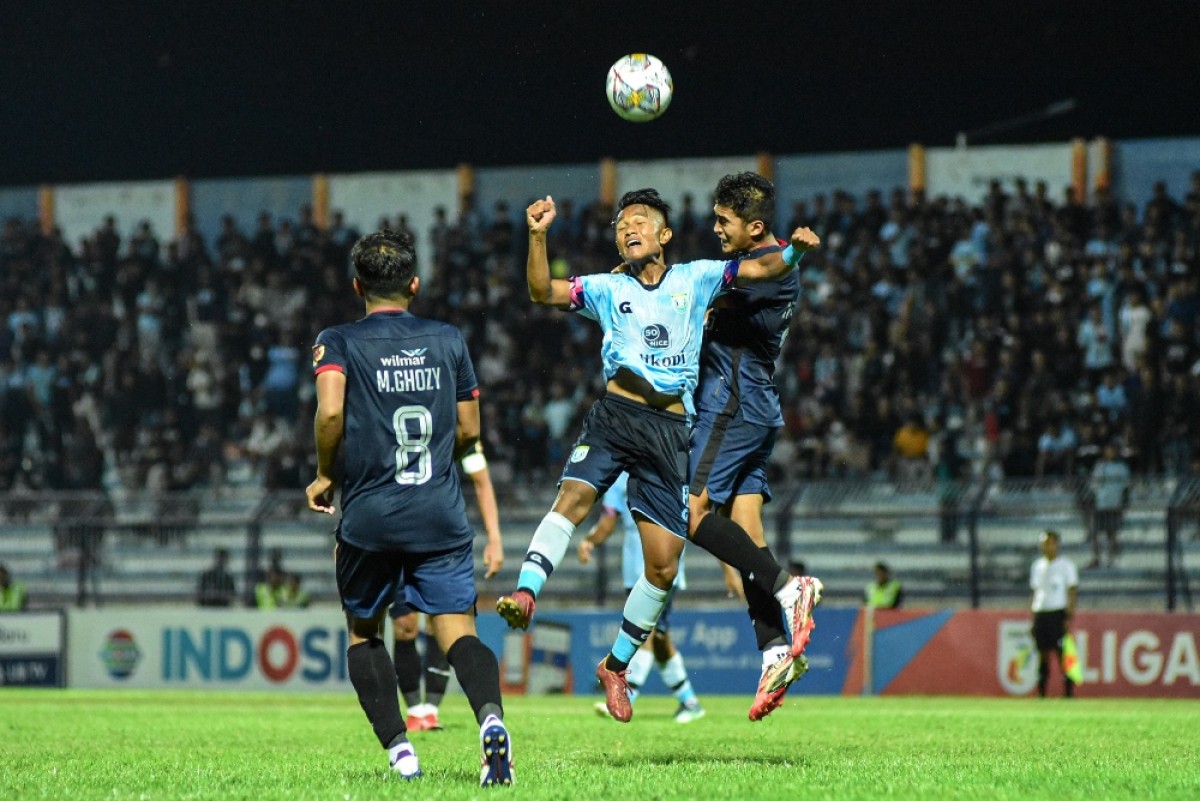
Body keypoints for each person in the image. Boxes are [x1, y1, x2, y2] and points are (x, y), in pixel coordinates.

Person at [497, 189, 823, 724]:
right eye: (620, 225)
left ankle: (617, 666)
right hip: (616, 417)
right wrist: (537, 235)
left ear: (664, 235)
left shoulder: (694, 278)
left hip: (673, 429)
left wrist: (792, 255)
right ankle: (527, 591)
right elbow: (540, 291)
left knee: (665, 565)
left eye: (639, 222)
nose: (627, 229)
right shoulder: (606, 287)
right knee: (575, 496)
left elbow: (759, 269)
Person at [305, 229, 513, 786]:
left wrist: (326, 474)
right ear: (414, 285)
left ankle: (401, 752)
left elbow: (329, 416)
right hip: (439, 513)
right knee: (459, 632)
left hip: (370, 514)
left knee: (364, 633)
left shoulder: (338, 340)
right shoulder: (448, 339)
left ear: (357, 287)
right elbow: (470, 431)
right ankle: (491, 719)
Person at [690, 172, 823, 721]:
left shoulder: (766, 269)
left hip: (732, 402)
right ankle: (773, 651)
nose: (716, 228)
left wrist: (793, 251)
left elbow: (769, 266)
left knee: (690, 514)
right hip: (756, 406)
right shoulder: (761, 267)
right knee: (747, 534)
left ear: (756, 226)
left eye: (724, 221)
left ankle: (790, 588)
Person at [393, 442, 504, 733]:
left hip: (441, 535)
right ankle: (414, 708)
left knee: (440, 626)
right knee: (404, 625)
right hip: (395, 533)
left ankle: (430, 709)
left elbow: (481, 480)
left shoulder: (456, 426)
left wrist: (494, 537)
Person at [577, 472, 704, 723]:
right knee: (658, 639)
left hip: (663, 568)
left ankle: (624, 696)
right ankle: (690, 702)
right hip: (633, 570)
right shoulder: (618, 476)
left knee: (646, 632)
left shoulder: (663, 464)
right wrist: (590, 541)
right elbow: (607, 520)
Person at [1029, 529, 1078, 698]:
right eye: (1044, 543)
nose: (1046, 546)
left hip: (1057, 613)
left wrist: (1068, 616)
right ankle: (1042, 693)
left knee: (1062, 653)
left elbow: (1072, 590)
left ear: (1056, 544)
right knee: (1042, 654)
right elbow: (1036, 592)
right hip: (1041, 612)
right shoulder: (1037, 566)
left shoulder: (1066, 566)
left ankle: (1069, 693)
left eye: (1050, 542)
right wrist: (1033, 618)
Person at [1089, 443, 1131, 568]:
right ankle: (1096, 558)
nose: (1110, 452)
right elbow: (1094, 487)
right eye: (1108, 449)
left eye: (1112, 449)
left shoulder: (1122, 468)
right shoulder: (1099, 466)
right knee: (1095, 533)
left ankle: (1111, 560)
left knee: (1112, 533)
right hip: (1100, 504)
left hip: (1114, 505)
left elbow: (1126, 488)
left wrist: (1123, 505)